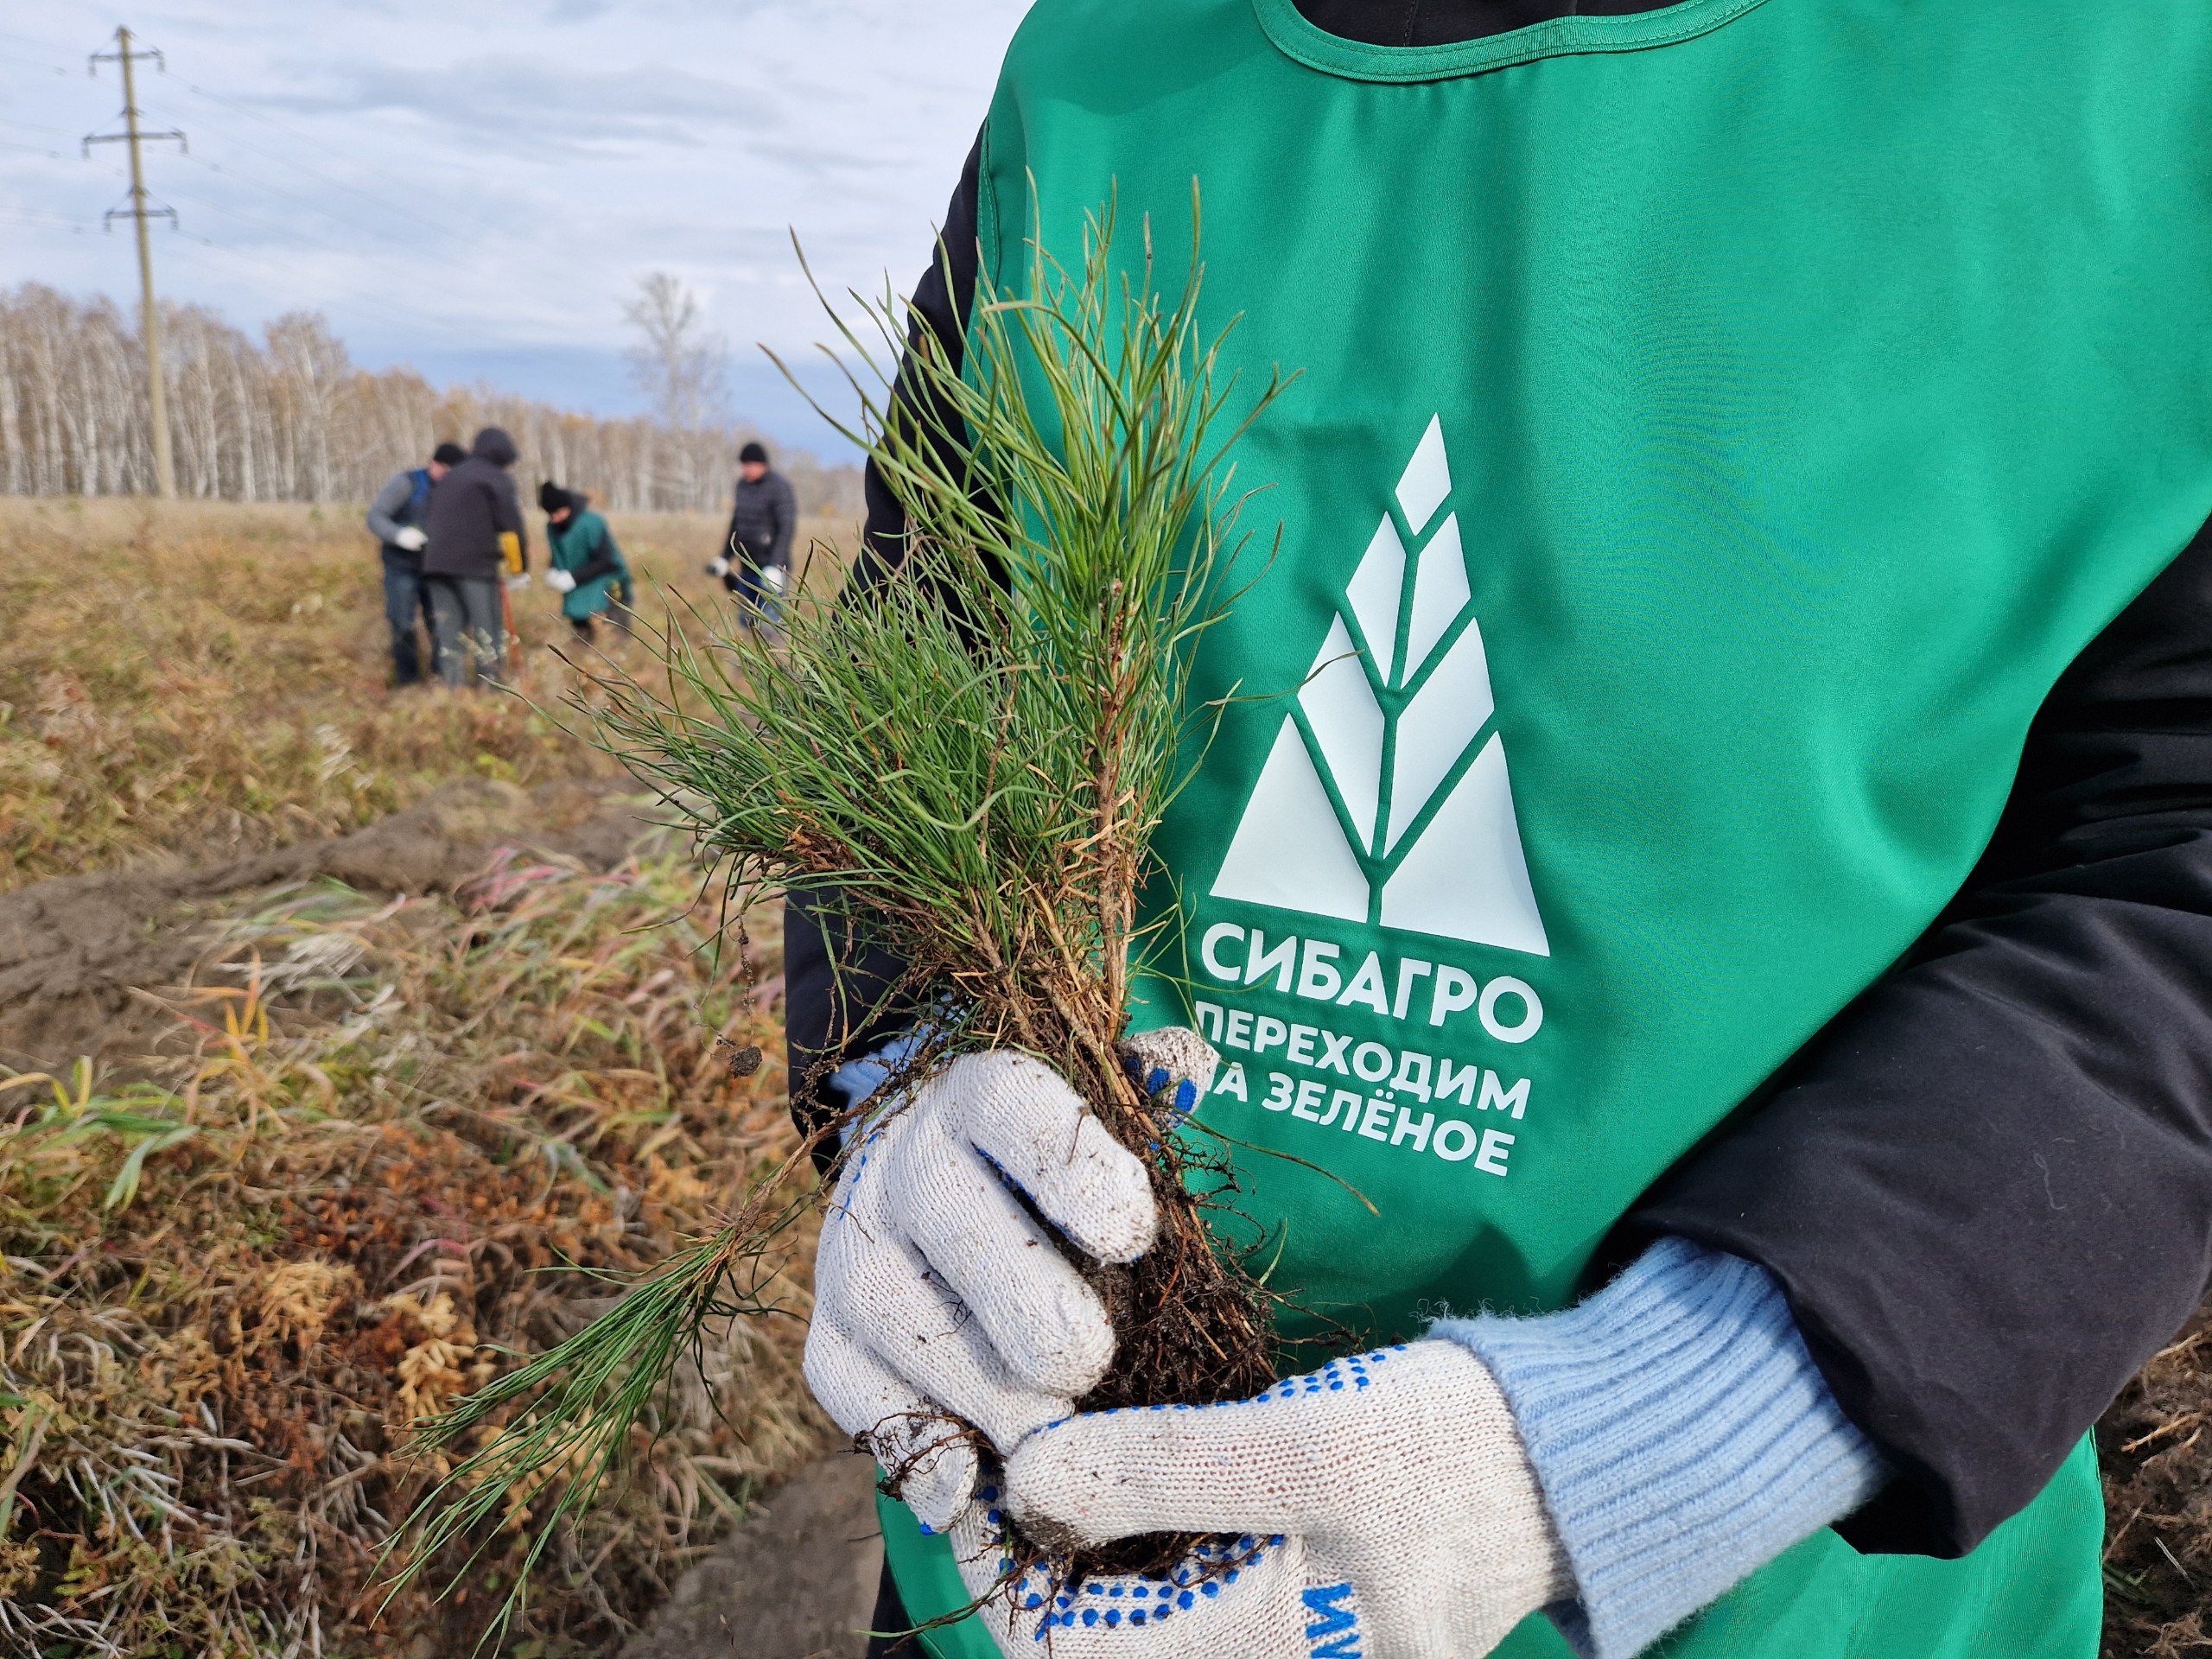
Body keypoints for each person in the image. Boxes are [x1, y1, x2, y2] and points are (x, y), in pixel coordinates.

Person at [786, 7, 2212, 1659]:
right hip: (1034, 1562)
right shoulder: (1102, 60)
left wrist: (1664, 1428)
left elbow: (2177, 854)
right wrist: (905, 1075)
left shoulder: (2141, 71)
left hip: (1781, 1597)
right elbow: (916, 676)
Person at [421, 426, 527, 690]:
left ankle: (452, 693)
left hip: (435, 566)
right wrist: (519, 569)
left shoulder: (450, 475)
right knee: (486, 632)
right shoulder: (496, 478)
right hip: (476, 567)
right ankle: (490, 693)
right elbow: (511, 529)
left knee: (448, 633)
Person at [364, 441, 467, 686]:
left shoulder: (455, 492)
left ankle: (441, 679)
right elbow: (375, 517)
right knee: (402, 622)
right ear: (435, 464)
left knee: (442, 622)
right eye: (447, 471)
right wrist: (399, 535)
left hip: (436, 570)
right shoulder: (406, 484)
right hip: (401, 567)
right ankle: (407, 681)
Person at [708, 440, 796, 632]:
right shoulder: (743, 486)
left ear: (761, 464)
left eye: (748, 465)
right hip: (747, 570)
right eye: (743, 465)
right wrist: (724, 557)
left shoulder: (780, 487)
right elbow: (736, 524)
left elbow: (786, 528)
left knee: (772, 626)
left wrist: (775, 566)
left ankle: (776, 661)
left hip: (771, 572)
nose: (745, 470)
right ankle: (747, 661)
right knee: (746, 624)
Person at [539, 480, 632, 646]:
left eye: (557, 513)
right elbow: (559, 555)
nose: (555, 519)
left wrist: (573, 578)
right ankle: (584, 659)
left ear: (568, 507)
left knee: (614, 637)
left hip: (608, 583)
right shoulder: (553, 528)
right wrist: (553, 570)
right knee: (582, 634)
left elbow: (606, 561)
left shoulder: (592, 523)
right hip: (579, 589)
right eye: (550, 515)